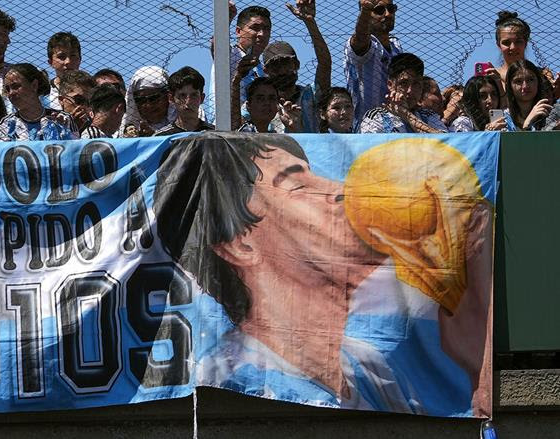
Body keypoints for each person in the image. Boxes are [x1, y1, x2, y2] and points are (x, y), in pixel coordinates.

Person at [153, 133, 492, 415]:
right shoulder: (242, 383)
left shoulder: (368, 363)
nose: (339, 189)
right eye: (299, 186)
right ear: (241, 245)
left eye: (315, 174)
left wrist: (476, 358)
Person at [260, 0, 332, 133]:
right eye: (275, 66)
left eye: (286, 64)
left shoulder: (311, 95)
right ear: (266, 71)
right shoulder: (262, 102)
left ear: (297, 65)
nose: (281, 70)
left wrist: (310, 23)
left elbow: (325, 63)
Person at [345, 0, 402, 124]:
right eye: (379, 10)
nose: (387, 14)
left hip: (397, 126)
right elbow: (360, 41)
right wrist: (365, 9)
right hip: (366, 127)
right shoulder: (366, 44)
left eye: (391, 8)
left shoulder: (396, 47)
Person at [358, 53, 447, 133]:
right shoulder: (377, 117)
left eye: (416, 84)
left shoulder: (428, 116)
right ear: (390, 85)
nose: (410, 91)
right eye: (404, 83)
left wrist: (407, 115)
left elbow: (446, 143)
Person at [0, 63, 77, 141]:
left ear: (34, 85)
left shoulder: (63, 119)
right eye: (7, 89)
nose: (11, 93)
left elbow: (75, 149)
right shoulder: (6, 125)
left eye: (16, 86)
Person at [155, 67, 215, 135]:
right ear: (171, 98)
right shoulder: (162, 137)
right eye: (182, 96)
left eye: (194, 95)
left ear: (202, 98)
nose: (188, 102)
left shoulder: (215, 135)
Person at [504, 59, 559, 131]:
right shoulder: (504, 120)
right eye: (518, 81)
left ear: (538, 82)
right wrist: (527, 124)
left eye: (530, 80)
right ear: (509, 86)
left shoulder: (553, 113)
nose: (525, 86)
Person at [121, 66, 176, 137]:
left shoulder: (187, 125)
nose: (148, 105)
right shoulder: (123, 133)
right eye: (141, 100)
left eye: (154, 98)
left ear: (167, 96)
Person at [45, 32, 82, 109]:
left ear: (80, 59)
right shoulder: (45, 93)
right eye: (61, 57)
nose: (68, 61)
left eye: (73, 55)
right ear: (50, 62)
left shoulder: (92, 89)